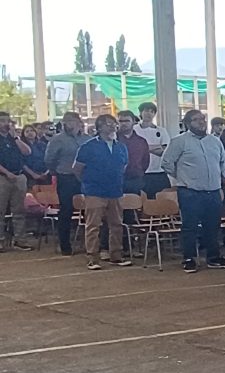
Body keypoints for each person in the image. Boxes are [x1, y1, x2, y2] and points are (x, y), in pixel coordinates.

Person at [162, 109, 225, 273]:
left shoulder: (215, 141)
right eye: (196, 120)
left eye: (203, 119)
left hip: (213, 191)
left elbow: (221, 162)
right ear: (187, 123)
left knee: (213, 226)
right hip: (190, 191)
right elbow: (167, 163)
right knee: (190, 227)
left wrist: (214, 179)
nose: (201, 122)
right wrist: (183, 178)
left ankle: (213, 257)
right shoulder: (179, 141)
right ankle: (189, 258)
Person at [72, 114, 131, 269]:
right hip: (94, 191)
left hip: (115, 191)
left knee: (117, 224)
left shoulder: (121, 147)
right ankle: (93, 258)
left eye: (114, 123)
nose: (113, 126)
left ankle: (116, 256)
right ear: (99, 128)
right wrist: (88, 183)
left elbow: (123, 167)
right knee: (93, 226)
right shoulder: (88, 146)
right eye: (108, 124)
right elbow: (77, 169)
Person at [44, 112, 88, 254]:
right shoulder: (58, 139)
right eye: (66, 121)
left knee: (89, 210)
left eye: (71, 120)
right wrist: (55, 171)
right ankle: (65, 245)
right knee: (66, 210)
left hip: (85, 178)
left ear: (79, 122)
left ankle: (90, 244)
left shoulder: (87, 139)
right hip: (66, 177)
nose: (68, 124)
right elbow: (49, 159)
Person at [0, 112, 35, 252]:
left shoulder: (14, 139)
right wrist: (7, 173)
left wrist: (16, 137)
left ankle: (20, 240)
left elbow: (27, 152)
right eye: (2, 121)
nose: (5, 124)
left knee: (19, 211)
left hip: (19, 177)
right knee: (0, 211)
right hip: (3, 178)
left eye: (8, 121)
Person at [134, 102, 170, 198]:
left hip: (159, 172)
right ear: (141, 112)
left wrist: (144, 148)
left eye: (152, 111)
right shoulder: (134, 130)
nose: (148, 113)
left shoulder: (162, 131)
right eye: (146, 111)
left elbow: (165, 150)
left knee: (163, 201)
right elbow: (135, 149)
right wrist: (156, 146)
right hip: (141, 173)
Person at [116, 110, 150, 197]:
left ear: (134, 122)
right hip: (115, 181)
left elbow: (145, 161)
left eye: (127, 121)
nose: (123, 124)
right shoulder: (111, 141)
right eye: (121, 121)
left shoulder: (141, 141)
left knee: (135, 206)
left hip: (136, 180)